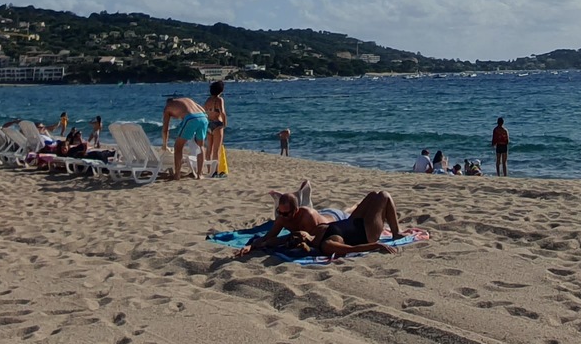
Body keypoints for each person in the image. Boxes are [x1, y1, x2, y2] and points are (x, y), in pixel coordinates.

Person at [240, 187, 404, 258]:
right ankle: (396, 233)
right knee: (383, 195)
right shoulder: (326, 244)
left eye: (299, 232)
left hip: (351, 221)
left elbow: (274, 240)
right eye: (300, 234)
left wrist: (252, 245)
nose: (300, 231)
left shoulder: (314, 230)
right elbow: (352, 249)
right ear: (304, 238)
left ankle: (356, 208)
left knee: (372, 194)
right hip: (367, 232)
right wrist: (377, 245)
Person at [162, 96, 209, 179]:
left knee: (178, 146)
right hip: (203, 118)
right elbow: (203, 110)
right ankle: (199, 174)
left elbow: (165, 129)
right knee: (200, 146)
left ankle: (177, 174)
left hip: (191, 118)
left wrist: (164, 144)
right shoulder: (187, 100)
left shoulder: (167, 107)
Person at [203, 80, 228, 177]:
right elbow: (222, 112)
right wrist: (225, 124)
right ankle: (215, 171)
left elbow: (205, 112)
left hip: (209, 124)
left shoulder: (208, 100)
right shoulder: (219, 100)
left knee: (209, 149)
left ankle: (210, 170)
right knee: (216, 150)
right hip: (217, 124)